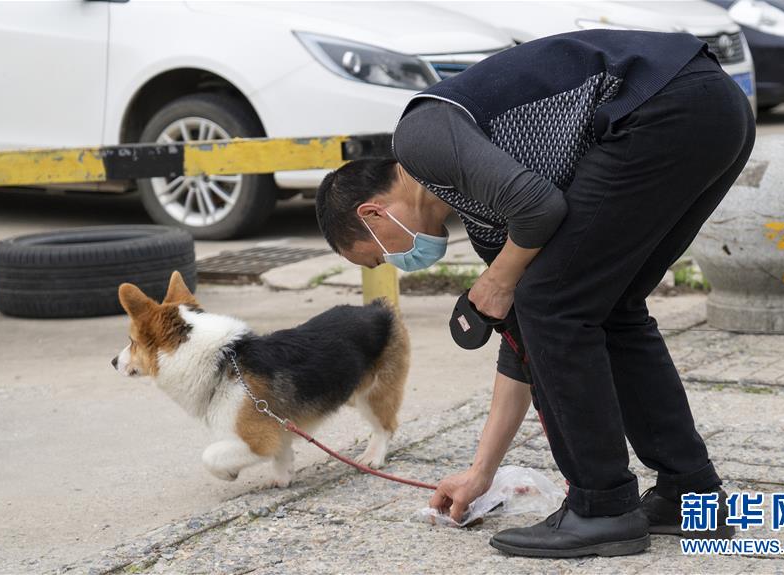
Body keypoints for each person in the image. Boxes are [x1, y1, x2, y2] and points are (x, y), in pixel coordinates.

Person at [315, 29, 755, 558]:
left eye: (379, 254)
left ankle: (602, 508)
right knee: (607, 307)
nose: (397, 264)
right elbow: (524, 346)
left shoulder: (420, 137)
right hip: (711, 108)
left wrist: (499, 280)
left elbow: (541, 211)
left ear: (373, 212)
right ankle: (691, 496)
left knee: (555, 302)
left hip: (666, 104)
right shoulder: (485, 220)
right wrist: (482, 472)